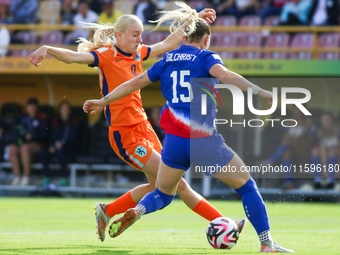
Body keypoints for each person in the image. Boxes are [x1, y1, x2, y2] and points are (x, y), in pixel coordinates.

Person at [83, 5, 295, 253]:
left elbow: (135, 82)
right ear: (206, 40)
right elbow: (226, 75)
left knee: (163, 194)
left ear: (184, 38)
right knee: (248, 187)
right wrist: (261, 92)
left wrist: (103, 100)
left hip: (174, 141)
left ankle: (138, 210)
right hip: (203, 141)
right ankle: (267, 243)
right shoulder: (206, 57)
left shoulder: (167, 59)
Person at [28, 3, 227, 244]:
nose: (140, 39)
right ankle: (223, 223)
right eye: (135, 35)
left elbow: (167, 43)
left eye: (141, 34)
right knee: (178, 184)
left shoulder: (138, 53)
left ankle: (108, 211)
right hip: (125, 136)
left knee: (160, 187)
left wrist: (194, 18)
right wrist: (47, 48)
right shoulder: (104, 56)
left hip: (144, 128)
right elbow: (72, 58)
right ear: (119, 35)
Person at [8, 98, 47, 186]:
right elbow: (12, 126)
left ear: (37, 108)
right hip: (22, 143)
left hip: (37, 145)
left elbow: (44, 135)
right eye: (30, 106)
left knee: (24, 148)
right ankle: (17, 176)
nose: (32, 108)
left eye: (34, 106)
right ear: (27, 107)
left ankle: (26, 176)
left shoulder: (41, 119)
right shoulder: (22, 117)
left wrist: (33, 136)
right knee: (12, 148)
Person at [47, 101, 78, 186]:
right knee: (44, 152)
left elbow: (73, 138)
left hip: (70, 148)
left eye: (67, 109)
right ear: (60, 111)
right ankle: (46, 177)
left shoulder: (74, 123)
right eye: (63, 109)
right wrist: (52, 146)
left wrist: (62, 145)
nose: (65, 111)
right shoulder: (56, 123)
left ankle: (64, 177)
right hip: (57, 148)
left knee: (61, 151)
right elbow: (52, 137)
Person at [312, 112, 339, 189]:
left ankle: (331, 180)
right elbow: (322, 150)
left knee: (332, 151)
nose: (325, 123)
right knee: (315, 151)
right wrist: (324, 169)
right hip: (329, 158)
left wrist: (338, 168)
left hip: (337, 158)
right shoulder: (320, 132)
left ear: (332, 121)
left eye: (327, 120)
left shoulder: (338, 130)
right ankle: (317, 180)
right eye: (323, 121)